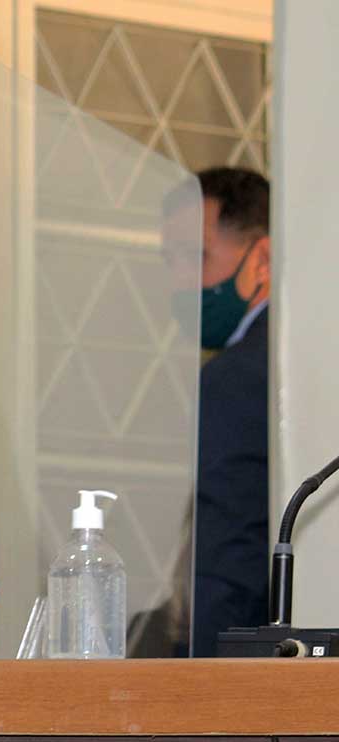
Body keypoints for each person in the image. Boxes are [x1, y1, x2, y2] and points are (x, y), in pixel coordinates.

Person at [164, 167, 270, 657]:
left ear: (261, 259)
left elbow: (228, 563)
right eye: (171, 262)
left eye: (196, 257)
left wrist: (196, 678)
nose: (179, 282)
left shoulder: (239, 375)